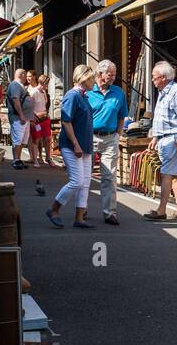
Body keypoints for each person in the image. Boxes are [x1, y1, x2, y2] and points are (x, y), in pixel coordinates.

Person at [46, 65, 95, 228]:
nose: (94, 81)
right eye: (91, 78)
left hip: (85, 145)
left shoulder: (84, 96)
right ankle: (54, 210)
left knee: (85, 183)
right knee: (76, 181)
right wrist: (75, 144)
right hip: (72, 145)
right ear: (84, 78)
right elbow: (66, 121)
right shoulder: (72, 95)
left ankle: (79, 218)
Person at [145, 60, 177, 221]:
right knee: (174, 174)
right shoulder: (163, 92)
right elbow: (162, 118)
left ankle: (161, 210)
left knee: (166, 174)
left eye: (154, 76)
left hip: (173, 138)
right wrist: (156, 137)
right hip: (165, 137)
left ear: (163, 77)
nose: (152, 79)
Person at [88, 59, 128, 226]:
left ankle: (109, 213)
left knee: (109, 176)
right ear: (100, 74)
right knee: (84, 177)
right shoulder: (88, 91)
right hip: (89, 136)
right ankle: (81, 210)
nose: (113, 78)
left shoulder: (118, 92)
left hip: (111, 137)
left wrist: (118, 134)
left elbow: (122, 116)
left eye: (115, 75)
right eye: (110, 75)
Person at [7, 66, 34, 169]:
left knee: (23, 139)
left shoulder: (20, 85)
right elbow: (15, 100)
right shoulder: (15, 85)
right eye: (25, 75)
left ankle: (18, 159)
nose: (26, 77)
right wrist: (22, 115)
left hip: (24, 117)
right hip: (18, 117)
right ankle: (16, 160)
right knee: (18, 138)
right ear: (21, 75)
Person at [27, 70, 49, 168]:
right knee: (36, 139)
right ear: (43, 83)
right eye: (47, 84)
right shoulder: (33, 92)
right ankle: (35, 159)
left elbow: (45, 104)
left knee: (47, 138)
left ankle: (48, 158)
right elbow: (28, 107)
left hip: (45, 119)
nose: (48, 86)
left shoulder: (44, 92)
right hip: (36, 120)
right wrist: (32, 118)